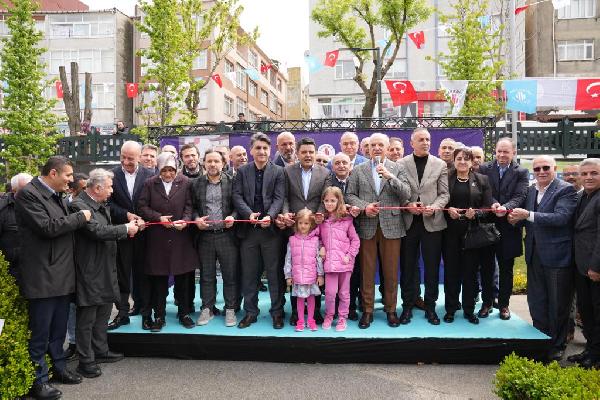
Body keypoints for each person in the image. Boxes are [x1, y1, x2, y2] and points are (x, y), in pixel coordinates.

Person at [15, 156, 92, 399]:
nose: (71, 180)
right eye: (68, 176)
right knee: (41, 331)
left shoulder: (55, 194)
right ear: (53, 174)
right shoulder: (29, 195)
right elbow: (48, 227)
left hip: (61, 273)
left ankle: (58, 368)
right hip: (42, 276)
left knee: (58, 330)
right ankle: (38, 380)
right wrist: (81, 217)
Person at [507, 155, 577, 361]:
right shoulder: (531, 190)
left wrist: (526, 215)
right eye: (537, 169)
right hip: (534, 254)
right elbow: (528, 220)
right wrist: (514, 220)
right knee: (536, 301)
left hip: (557, 256)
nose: (541, 172)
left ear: (555, 168)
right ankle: (540, 339)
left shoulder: (565, 189)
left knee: (558, 304)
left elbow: (561, 218)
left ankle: (557, 345)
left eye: (546, 167)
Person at [70, 169, 138, 378]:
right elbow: (96, 231)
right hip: (89, 270)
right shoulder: (79, 206)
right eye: (109, 187)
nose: (111, 191)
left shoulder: (98, 205)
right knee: (87, 318)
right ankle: (86, 361)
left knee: (103, 314)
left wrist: (128, 228)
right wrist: (125, 229)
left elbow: (105, 231)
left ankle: (100, 351)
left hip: (105, 268)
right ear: (97, 188)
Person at [346, 132, 411, 329]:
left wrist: (390, 177)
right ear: (367, 148)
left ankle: (390, 310)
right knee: (367, 271)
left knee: (391, 271)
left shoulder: (397, 168)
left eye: (380, 145)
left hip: (391, 227)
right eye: (372, 145)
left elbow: (406, 194)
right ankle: (367, 311)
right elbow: (349, 195)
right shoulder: (358, 170)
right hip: (367, 225)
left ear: (386, 147)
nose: (376, 148)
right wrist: (365, 206)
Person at [137, 152, 199, 331]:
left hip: (181, 238)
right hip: (158, 238)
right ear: (159, 169)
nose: (168, 174)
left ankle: (184, 313)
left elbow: (190, 205)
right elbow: (142, 206)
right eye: (164, 170)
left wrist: (185, 221)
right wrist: (158, 218)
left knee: (183, 278)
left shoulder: (185, 182)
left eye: (171, 170)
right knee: (159, 281)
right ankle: (160, 316)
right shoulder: (150, 183)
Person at [233, 132, 286, 329]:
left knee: (274, 274)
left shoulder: (279, 172)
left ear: (269, 150)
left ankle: (277, 313)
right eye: (258, 148)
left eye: (265, 148)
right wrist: (249, 214)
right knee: (250, 275)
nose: (261, 151)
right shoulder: (242, 171)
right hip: (248, 232)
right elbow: (236, 196)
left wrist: (269, 217)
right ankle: (250, 312)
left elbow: (279, 198)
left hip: (271, 232)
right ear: (251, 150)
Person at [398, 128, 449, 326]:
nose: (425, 142)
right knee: (408, 267)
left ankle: (430, 307)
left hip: (432, 223)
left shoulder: (440, 164)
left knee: (431, 268)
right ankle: (407, 306)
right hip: (408, 223)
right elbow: (398, 191)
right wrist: (408, 204)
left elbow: (444, 194)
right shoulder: (401, 164)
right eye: (421, 139)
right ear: (412, 143)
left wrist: (435, 207)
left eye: (428, 139)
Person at [279, 137, 331, 325]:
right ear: (297, 154)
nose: (308, 155)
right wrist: (285, 214)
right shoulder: (287, 171)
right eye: (304, 152)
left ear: (315, 153)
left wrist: (321, 213)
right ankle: (295, 311)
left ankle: (316, 310)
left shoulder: (325, 172)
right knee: (296, 267)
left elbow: (326, 197)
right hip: (294, 227)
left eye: (311, 151)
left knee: (314, 268)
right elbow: (284, 197)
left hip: (315, 230)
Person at [442, 148, 495, 325]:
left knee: (470, 273)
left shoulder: (482, 180)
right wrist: (448, 209)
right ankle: (450, 309)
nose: (463, 162)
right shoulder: (446, 178)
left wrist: (477, 213)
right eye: (459, 158)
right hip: (451, 233)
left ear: (472, 162)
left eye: (466, 159)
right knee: (451, 272)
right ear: (454, 161)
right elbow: (440, 200)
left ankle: (469, 310)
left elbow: (488, 206)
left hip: (473, 234)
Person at [479, 137, 529, 320]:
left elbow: (521, 195)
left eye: (505, 151)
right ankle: (487, 303)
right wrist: (493, 205)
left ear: (513, 153)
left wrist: (505, 207)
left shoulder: (522, 172)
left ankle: (504, 305)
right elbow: (484, 192)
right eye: (499, 151)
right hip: (487, 225)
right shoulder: (484, 168)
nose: (501, 155)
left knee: (506, 269)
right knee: (486, 267)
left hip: (509, 226)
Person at [108, 141, 154, 330]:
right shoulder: (111, 175)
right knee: (122, 275)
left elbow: (155, 203)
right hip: (122, 232)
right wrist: (126, 215)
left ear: (140, 156)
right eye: (123, 157)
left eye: (131, 158)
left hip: (145, 233)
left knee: (144, 275)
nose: (126, 161)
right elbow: (107, 203)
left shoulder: (150, 175)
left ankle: (145, 313)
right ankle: (123, 313)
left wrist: (145, 219)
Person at [192, 149, 239, 327]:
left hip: (226, 236)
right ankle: (207, 308)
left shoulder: (232, 182)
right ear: (204, 163)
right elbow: (193, 207)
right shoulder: (196, 183)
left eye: (216, 161)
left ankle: (230, 309)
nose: (212, 164)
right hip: (205, 236)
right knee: (206, 275)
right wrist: (196, 219)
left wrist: (233, 216)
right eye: (209, 161)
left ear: (223, 163)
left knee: (229, 275)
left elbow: (237, 205)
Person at [570, 158, 600, 369]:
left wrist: (597, 266)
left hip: (594, 267)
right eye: (586, 174)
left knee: (598, 312)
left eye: (594, 173)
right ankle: (590, 349)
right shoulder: (582, 196)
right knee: (586, 310)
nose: (589, 177)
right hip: (580, 265)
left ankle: (597, 355)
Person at [319, 186, 360, 332]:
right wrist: (321, 247)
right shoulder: (322, 222)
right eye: (326, 201)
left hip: (345, 263)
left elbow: (355, 240)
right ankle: (329, 315)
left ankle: (343, 317)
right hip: (329, 264)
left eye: (333, 200)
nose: (329, 204)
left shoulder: (347, 220)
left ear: (339, 201)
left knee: (344, 293)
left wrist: (349, 255)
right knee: (330, 293)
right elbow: (318, 239)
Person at [329, 152, 362, 320]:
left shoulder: (358, 180)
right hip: (334, 237)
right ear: (333, 166)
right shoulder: (327, 183)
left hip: (355, 232)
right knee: (335, 273)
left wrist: (355, 207)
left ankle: (351, 307)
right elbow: (323, 204)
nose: (341, 165)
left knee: (353, 272)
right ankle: (334, 307)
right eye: (337, 163)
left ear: (350, 165)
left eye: (345, 162)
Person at [284, 209, 324, 332]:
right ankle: (300, 321)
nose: (303, 226)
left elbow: (318, 259)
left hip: (311, 276)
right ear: (296, 224)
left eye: (306, 223)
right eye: (300, 223)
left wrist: (320, 275)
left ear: (311, 224)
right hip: (297, 277)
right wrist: (288, 275)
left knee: (311, 298)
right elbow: (288, 259)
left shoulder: (315, 240)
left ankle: (311, 320)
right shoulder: (292, 240)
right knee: (300, 299)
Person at [0, 172, 32, 281]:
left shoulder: (39, 206)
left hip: (36, 269)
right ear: (14, 191)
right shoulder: (3, 209)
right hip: (12, 272)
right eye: (26, 189)